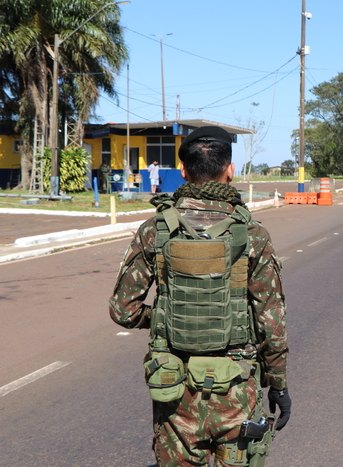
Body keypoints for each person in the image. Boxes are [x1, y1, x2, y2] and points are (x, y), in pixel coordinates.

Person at [109, 126, 290, 466]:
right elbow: (271, 323)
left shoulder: (155, 230)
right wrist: (277, 385)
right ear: (230, 170)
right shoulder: (252, 234)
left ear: (183, 171)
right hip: (236, 389)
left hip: (175, 390)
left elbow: (123, 309)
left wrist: (165, 317)